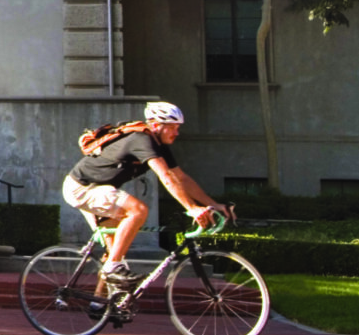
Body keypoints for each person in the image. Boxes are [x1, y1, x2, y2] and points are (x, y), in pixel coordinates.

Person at [62, 101, 233, 289]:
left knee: (115, 252)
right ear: (156, 125)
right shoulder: (141, 139)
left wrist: (213, 204)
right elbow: (166, 177)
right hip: (83, 188)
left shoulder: (160, 146)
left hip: (100, 189)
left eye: (177, 128)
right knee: (138, 210)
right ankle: (112, 267)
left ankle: (99, 301)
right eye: (172, 127)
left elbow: (181, 178)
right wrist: (191, 208)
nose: (177, 133)